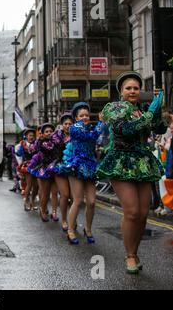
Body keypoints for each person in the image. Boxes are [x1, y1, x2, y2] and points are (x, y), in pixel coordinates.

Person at [97, 71, 167, 274]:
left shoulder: (141, 110)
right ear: (121, 91)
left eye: (136, 88)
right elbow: (124, 129)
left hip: (143, 162)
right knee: (132, 211)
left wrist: (157, 111)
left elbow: (160, 130)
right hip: (121, 160)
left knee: (144, 213)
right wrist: (148, 114)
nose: (133, 91)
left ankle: (134, 252)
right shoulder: (114, 108)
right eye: (128, 88)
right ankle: (129, 256)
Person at [60, 103, 105, 244]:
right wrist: (101, 123)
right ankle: (71, 231)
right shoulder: (74, 128)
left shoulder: (92, 127)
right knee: (78, 200)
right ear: (76, 117)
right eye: (81, 115)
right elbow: (91, 137)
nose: (85, 117)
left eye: (87, 115)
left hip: (90, 166)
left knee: (91, 202)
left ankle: (88, 229)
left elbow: (99, 139)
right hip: (77, 166)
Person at [27, 123, 58, 222]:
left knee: (54, 192)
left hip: (56, 168)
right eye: (46, 132)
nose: (49, 133)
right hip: (44, 169)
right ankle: (42, 210)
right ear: (43, 134)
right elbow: (51, 148)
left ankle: (54, 212)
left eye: (51, 131)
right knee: (45, 192)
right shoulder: (42, 142)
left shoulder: (56, 141)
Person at [50, 114, 74, 231]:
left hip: (74, 168)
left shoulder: (77, 134)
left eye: (70, 124)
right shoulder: (56, 136)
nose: (68, 126)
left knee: (74, 198)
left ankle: (72, 220)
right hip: (60, 166)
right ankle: (64, 220)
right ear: (62, 125)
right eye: (66, 124)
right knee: (64, 195)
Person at [16, 128, 39, 211]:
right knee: (29, 184)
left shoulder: (37, 144)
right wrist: (21, 148)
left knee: (36, 186)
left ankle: (33, 201)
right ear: (26, 136)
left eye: (33, 135)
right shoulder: (23, 144)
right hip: (27, 165)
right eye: (30, 135)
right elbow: (18, 153)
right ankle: (26, 201)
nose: (31, 137)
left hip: (36, 165)